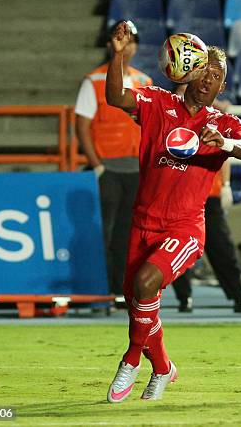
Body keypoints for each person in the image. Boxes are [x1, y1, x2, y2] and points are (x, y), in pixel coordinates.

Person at [104, 22, 241, 403]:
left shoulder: (223, 123)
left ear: (222, 87)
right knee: (138, 302)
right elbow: (115, 98)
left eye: (217, 77)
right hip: (143, 222)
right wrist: (119, 55)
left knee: (144, 285)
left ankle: (131, 360)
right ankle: (163, 367)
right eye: (205, 71)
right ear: (190, 70)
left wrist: (224, 142)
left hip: (184, 228)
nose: (209, 80)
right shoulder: (158, 103)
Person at [74, 20, 152, 296]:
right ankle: (100, 290)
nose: (127, 46)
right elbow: (82, 126)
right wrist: (97, 166)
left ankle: (121, 291)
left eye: (132, 41)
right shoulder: (95, 81)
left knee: (127, 235)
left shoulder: (144, 81)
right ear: (111, 45)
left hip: (135, 170)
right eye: (122, 40)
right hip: (107, 169)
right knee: (104, 233)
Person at [171, 161, 241, 313]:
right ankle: (184, 298)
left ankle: (238, 296)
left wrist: (226, 184)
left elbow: (224, 155)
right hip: (182, 195)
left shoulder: (213, 136)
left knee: (222, 249)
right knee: (180, 249)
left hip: (210, 194)